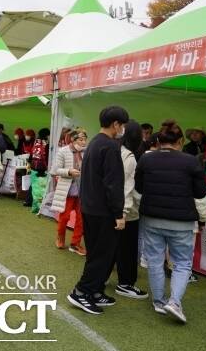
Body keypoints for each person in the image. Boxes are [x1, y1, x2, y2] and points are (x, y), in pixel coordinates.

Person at [135, 119, 206, 323]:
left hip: (151, 218)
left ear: (159, 139)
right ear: (181, 140)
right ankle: (174, 302)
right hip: (181, 220)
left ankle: (159, 302)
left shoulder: (146, 160)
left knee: (155, 261)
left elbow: (139, 188)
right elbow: (201, 192)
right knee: (182, 263)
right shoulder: (191, 161)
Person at [67, 106, 128, 315]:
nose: (123, 129)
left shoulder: (94, 142)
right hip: (102, 211)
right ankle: (81, 292)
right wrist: (119, 214)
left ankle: (94, 291)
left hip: (91, 207)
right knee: (102, 255)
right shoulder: (110, 146)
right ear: (116, 124)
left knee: (96, 253)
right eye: (123, 125)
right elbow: (114, 183)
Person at [115, 120, 148, 299]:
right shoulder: (129, 156)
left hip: (113, 207)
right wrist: (124, 212)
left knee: (114, 247)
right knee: (127, 249)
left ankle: (104, 279)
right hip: (127, 212)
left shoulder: (116, 150)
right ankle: (126, 283)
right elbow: (128, 188)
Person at [52, 128, 87, 256]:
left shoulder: (86, 152)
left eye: (85, 139)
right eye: (81, 139)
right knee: (64, 216)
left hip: (82, 191)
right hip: (67, 190)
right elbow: (55, 170)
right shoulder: (63, 151)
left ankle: (75, 243)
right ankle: (60, 237)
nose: (83, 142)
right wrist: (68, 172)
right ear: (73, 139)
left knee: (81, 218)